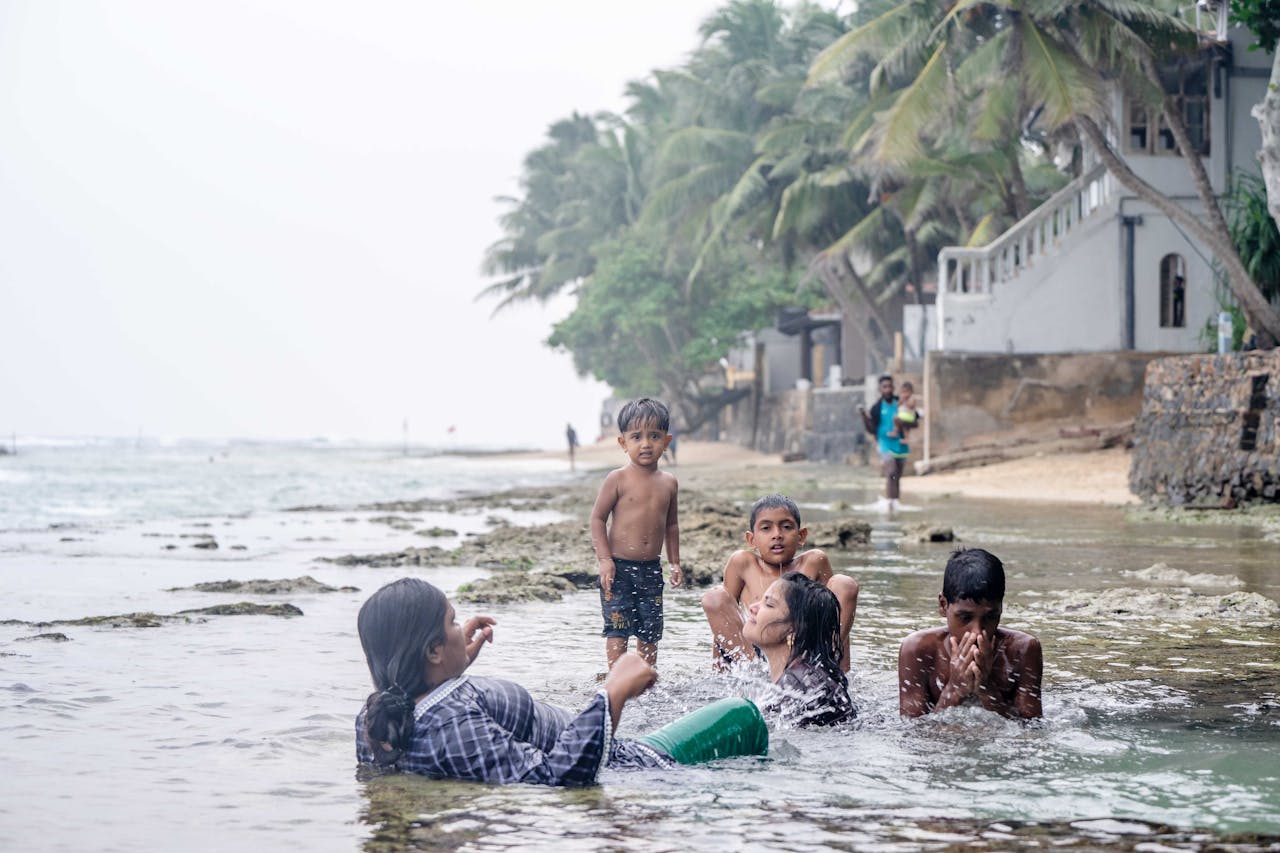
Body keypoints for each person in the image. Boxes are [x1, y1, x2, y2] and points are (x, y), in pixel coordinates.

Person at [354, 578, 767, 786]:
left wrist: (448, 668)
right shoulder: (455, 726)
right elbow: (556, 778)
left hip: (437, 672)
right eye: (451, 622)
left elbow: (437, 746)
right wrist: (612, 694)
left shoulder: (375, 718)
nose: (460, 626)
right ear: (430, 651)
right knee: (743, 714)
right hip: (623, 762)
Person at [701, 494, 859, 672]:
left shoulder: (814, 562)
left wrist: (843, 671)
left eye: (786, 527)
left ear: (801, 536)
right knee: (714, 596)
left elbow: (836, 616)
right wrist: (719, 670)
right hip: (754, 655)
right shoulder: (743, 563)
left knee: (844, 584)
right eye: (766, 528)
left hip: (804, 654)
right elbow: (724, 621)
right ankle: (755, 676)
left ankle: (826, 668)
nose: (777, 535)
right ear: (751, 540)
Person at [590, 397, 682, 670]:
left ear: (666, 441)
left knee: (650, 630)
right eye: (637, 436)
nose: (646, 444)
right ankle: (616, 679)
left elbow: (671, 526)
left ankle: (646, 678)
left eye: (654, 436)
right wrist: (605, 560)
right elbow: (597, 518)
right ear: (623, 443)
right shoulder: (617, 479)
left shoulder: (669, 483)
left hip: (651, 570)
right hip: (618, 569)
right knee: (617, 627)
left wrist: (675, 562)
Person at [897, 548, 1043, 719]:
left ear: (1001, 609)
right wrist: (955, 688)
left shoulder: (1022, 650)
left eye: (990, 617)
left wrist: (986, 686)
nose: (977, 632)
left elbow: (1031, 731)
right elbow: (912, 734)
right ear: (943, 605)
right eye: (965, 617)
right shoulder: (918, 650)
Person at [744, 571, 854, 727]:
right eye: (761, 600)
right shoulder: (803, 676)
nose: (752, 608)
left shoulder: (796, 687)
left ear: (794, 628)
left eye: (768, 604)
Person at [859, 374, 910, 508]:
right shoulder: (876, 408)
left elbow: (913, 421)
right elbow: (872, 429)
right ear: (880, 389)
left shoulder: (901, 403)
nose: (887, 389)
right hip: (885, 444)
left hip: (901, 444)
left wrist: (905, 421)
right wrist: (864, 416)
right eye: (884, 387)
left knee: (897, 476)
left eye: (889, 386)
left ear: (893, 388)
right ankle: (889, 501)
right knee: (891, 472)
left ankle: (895, 502)